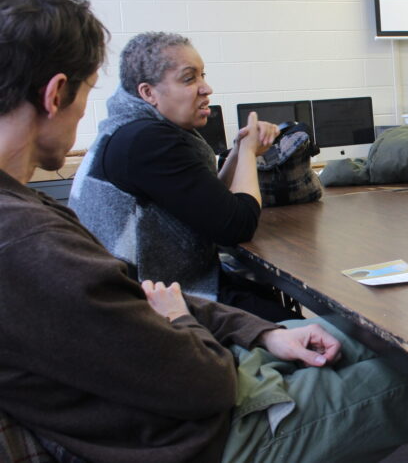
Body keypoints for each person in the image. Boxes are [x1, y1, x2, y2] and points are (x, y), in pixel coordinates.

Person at [0, 0, 408, 463]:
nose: (205, 88)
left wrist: (261, 334)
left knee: (380, 337)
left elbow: (145, 304)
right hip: (200, 431)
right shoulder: (30, 239)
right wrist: (183, 319)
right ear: (54, 93)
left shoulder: (32, 212)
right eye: (89, 91)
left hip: (184, 384)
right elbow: (203, 377)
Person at [70, 32, 294, 321]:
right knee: (303, 327)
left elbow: (213, 204)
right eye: (189, 79)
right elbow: (237, 225)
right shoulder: (148, 141)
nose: (206, 88)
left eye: (202, 76)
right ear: (148, 93)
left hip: (144, 289)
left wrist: (239, 150)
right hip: (150, 304)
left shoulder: (129, 128)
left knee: (266, 299)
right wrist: (250, 153)